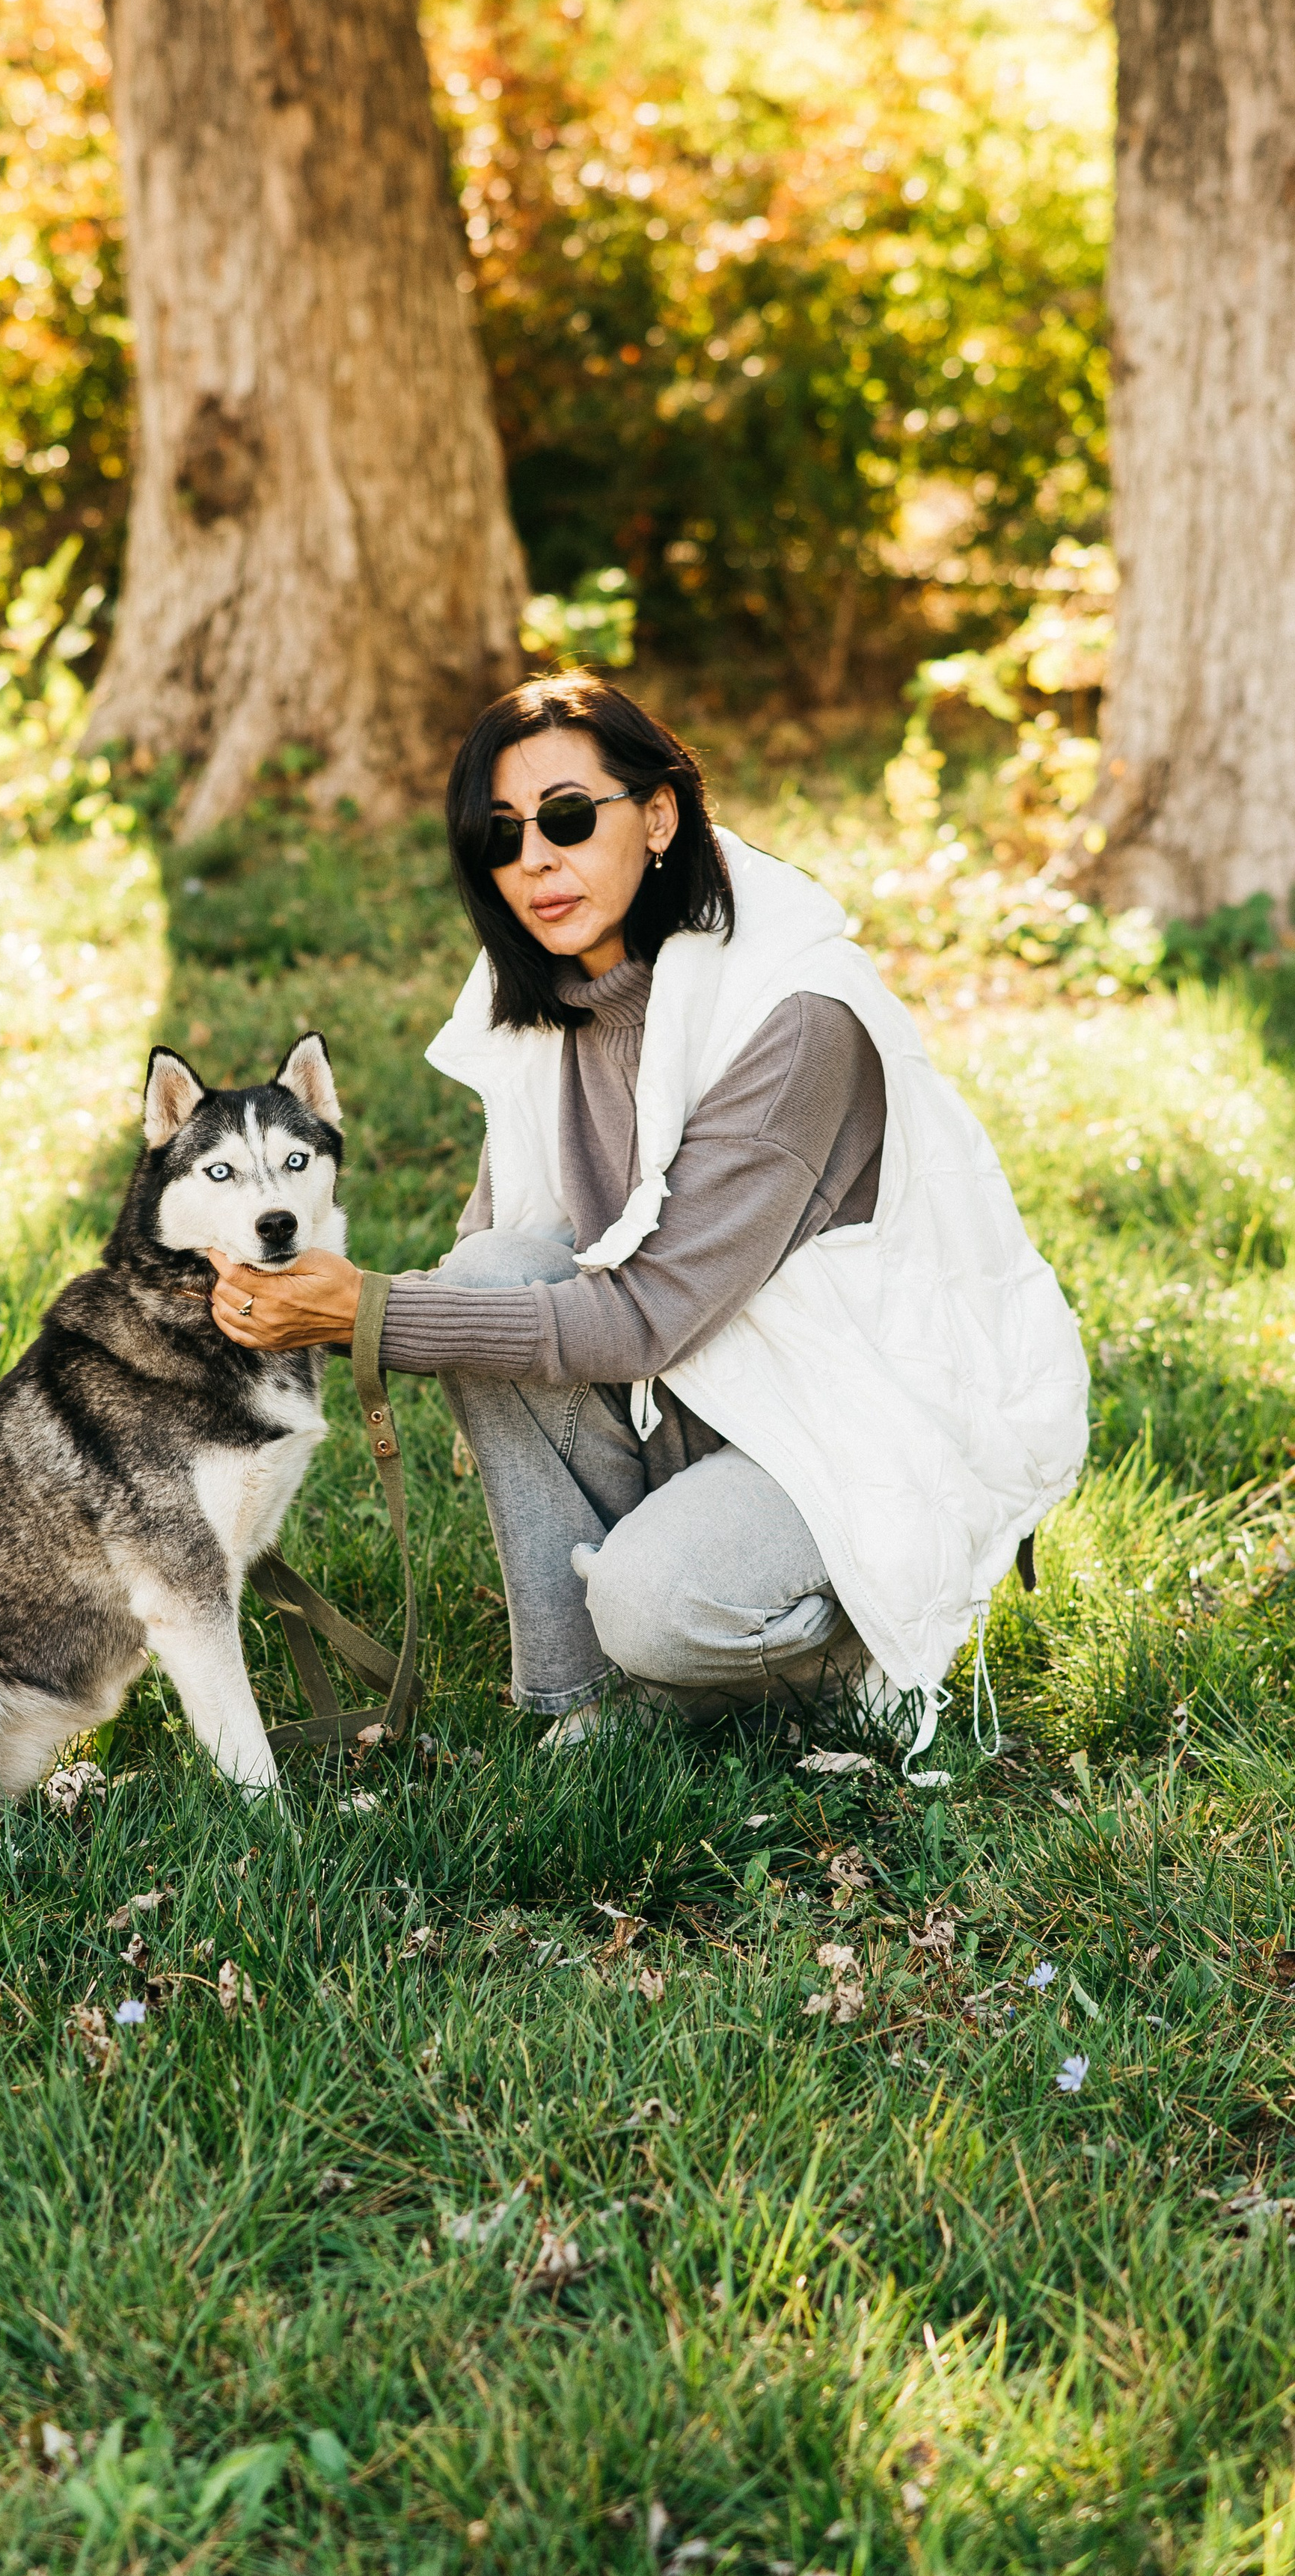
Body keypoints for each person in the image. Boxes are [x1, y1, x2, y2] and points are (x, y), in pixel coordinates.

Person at [207, 672, 1089, 1761]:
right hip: (685, 1400)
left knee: (654, 1604)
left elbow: (647, 1315)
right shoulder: (546, 1006)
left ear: (659, 816)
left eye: (569, 818)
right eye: (502, 836)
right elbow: (491, 1268)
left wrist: (369, 1313)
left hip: (837, 1423)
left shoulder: (792, 1020)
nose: (537, 860)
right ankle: (578, 1697)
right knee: (486, 1275)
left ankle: (845, 1655)